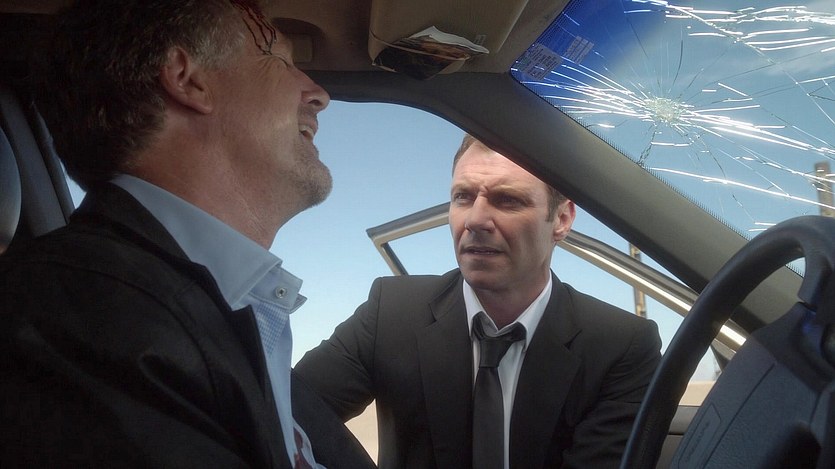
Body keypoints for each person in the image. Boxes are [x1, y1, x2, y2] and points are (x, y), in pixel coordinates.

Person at [0, 1, 373, 467]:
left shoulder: (219, 312)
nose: (319, 94)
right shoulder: (77, 320)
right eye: (280, 59)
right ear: (187, 78)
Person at [294, 135, 662, 468]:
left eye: (508, 200)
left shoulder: (621, 345)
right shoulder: (390, 313)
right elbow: (283, 412)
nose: (475, 219)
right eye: (463, 197)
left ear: (561, 219)